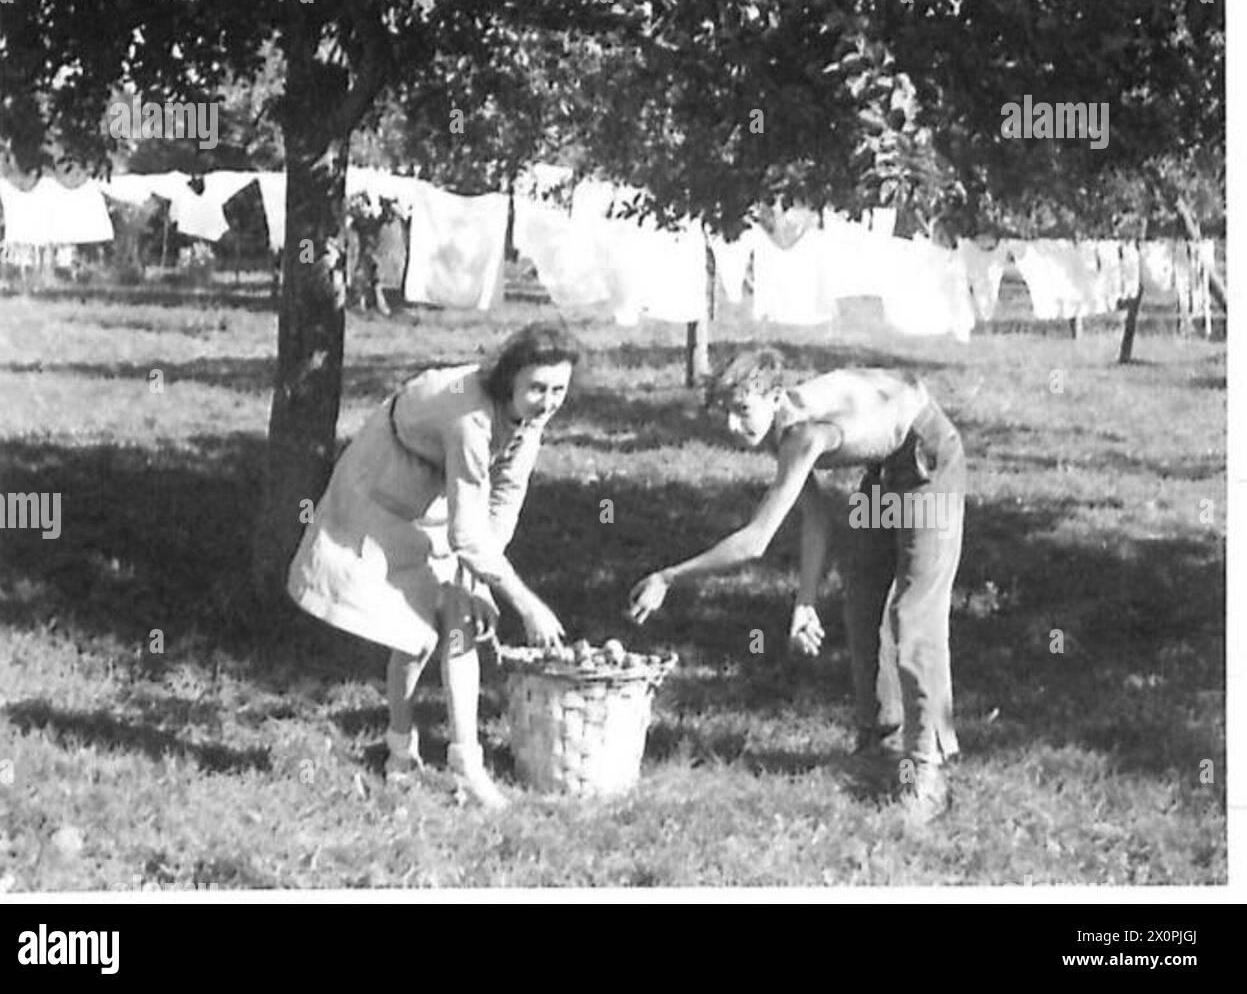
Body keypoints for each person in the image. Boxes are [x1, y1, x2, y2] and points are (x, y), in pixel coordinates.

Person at [628, 348, 966, 822]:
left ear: (774, 396)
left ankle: (927, 770)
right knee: (863, 600)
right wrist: (805, 603)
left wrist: (668, 576)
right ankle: (879, 745)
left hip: (928, 464)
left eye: (741, 410)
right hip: (884, 473)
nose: (731, 425)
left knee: (912, 616)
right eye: (724, 411)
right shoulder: (779, 432)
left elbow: (754, 541)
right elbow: (816, 519)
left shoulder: (804, 435)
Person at [287, 322, 578, 809]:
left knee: (460, 619)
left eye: (559, 390)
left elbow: (501, 506)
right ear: (510, 381)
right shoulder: (469, 419)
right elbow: (468, 534)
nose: (548, 401)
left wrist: (484, 583)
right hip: (376, 498)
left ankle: (466, 765)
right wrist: (527, 605)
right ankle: (401, 751)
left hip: (438, 502)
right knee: (416, 636)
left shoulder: (528, 421)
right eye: (537, 388)